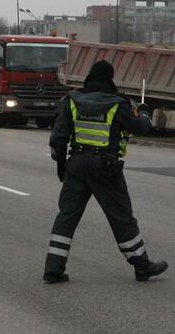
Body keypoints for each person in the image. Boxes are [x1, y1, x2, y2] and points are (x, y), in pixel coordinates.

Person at [45, 60, 168, 283]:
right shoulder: (117, 103)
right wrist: (144, 113)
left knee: (66, 217)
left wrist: (63, 169)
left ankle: (53, 269)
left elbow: (58, 140)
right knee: (121, 217)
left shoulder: (71, 101)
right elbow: (141, 127)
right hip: (105, 167)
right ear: (110, 78)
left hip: (77, 163)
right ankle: (142, 266)